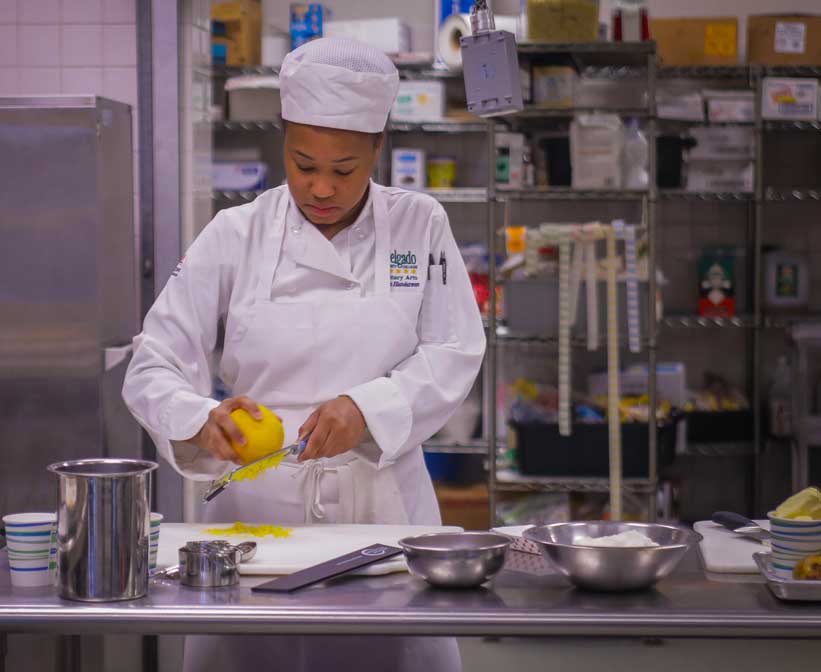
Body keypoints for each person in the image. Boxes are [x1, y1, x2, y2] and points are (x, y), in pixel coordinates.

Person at [122, 37, 486, 671]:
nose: (320, 187)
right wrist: (198, 419)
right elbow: (153, 361)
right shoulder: (236, 233)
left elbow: (456, 347)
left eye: (344, 169)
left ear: (378, 148)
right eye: (302, 162)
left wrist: (367, 410)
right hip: (252, 517)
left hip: (382, 510)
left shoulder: (419, 225)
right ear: (282, 144)